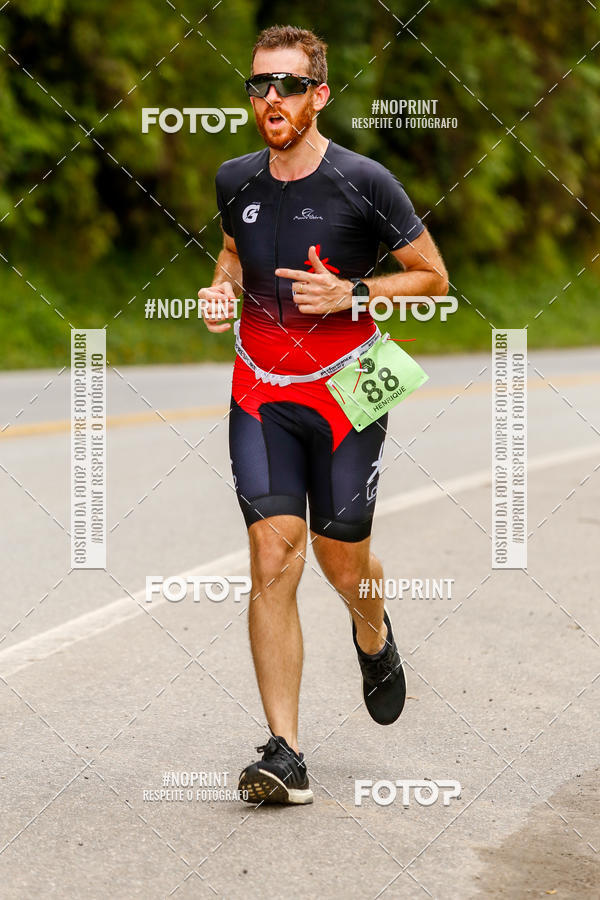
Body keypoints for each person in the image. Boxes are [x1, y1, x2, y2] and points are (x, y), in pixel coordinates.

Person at [198, 24, 448, 805]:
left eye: (287, 85)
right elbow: (235, 255)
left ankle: (372, 633)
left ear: (319, 94)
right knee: (274, 559)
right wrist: (221, 291)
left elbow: (432, 276)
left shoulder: (364, 181)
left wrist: (355, 293)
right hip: (262, 387)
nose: (270, 98)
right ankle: (285, 751)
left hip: (349, 387)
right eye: (258, 85)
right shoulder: (233, 177)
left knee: (344, 564)